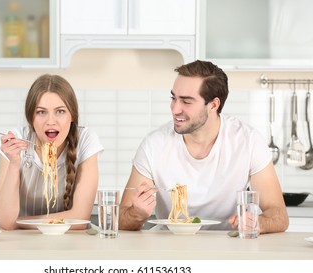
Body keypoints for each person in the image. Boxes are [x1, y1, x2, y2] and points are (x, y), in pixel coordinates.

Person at [119, 60, 289, 234]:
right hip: (169, 247)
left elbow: (279, 216)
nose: (175, 109)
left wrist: (258, 223)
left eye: (186, 102)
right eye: (173, 98)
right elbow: (122, 218)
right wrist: (136, 213)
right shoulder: (154, 145)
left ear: (213, 105)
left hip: (227, 245)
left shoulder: (248, 142)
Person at [0, 74, 103, 230]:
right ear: (30, 117)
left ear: (72, 115)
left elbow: (80, 218)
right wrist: (14, 163)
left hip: (70, 243)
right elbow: (5, 220)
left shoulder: (86, 140)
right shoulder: (16, 141)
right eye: (41, 112)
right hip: (19, 243)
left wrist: (17, 222)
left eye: (60, 111)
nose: (50, 121)